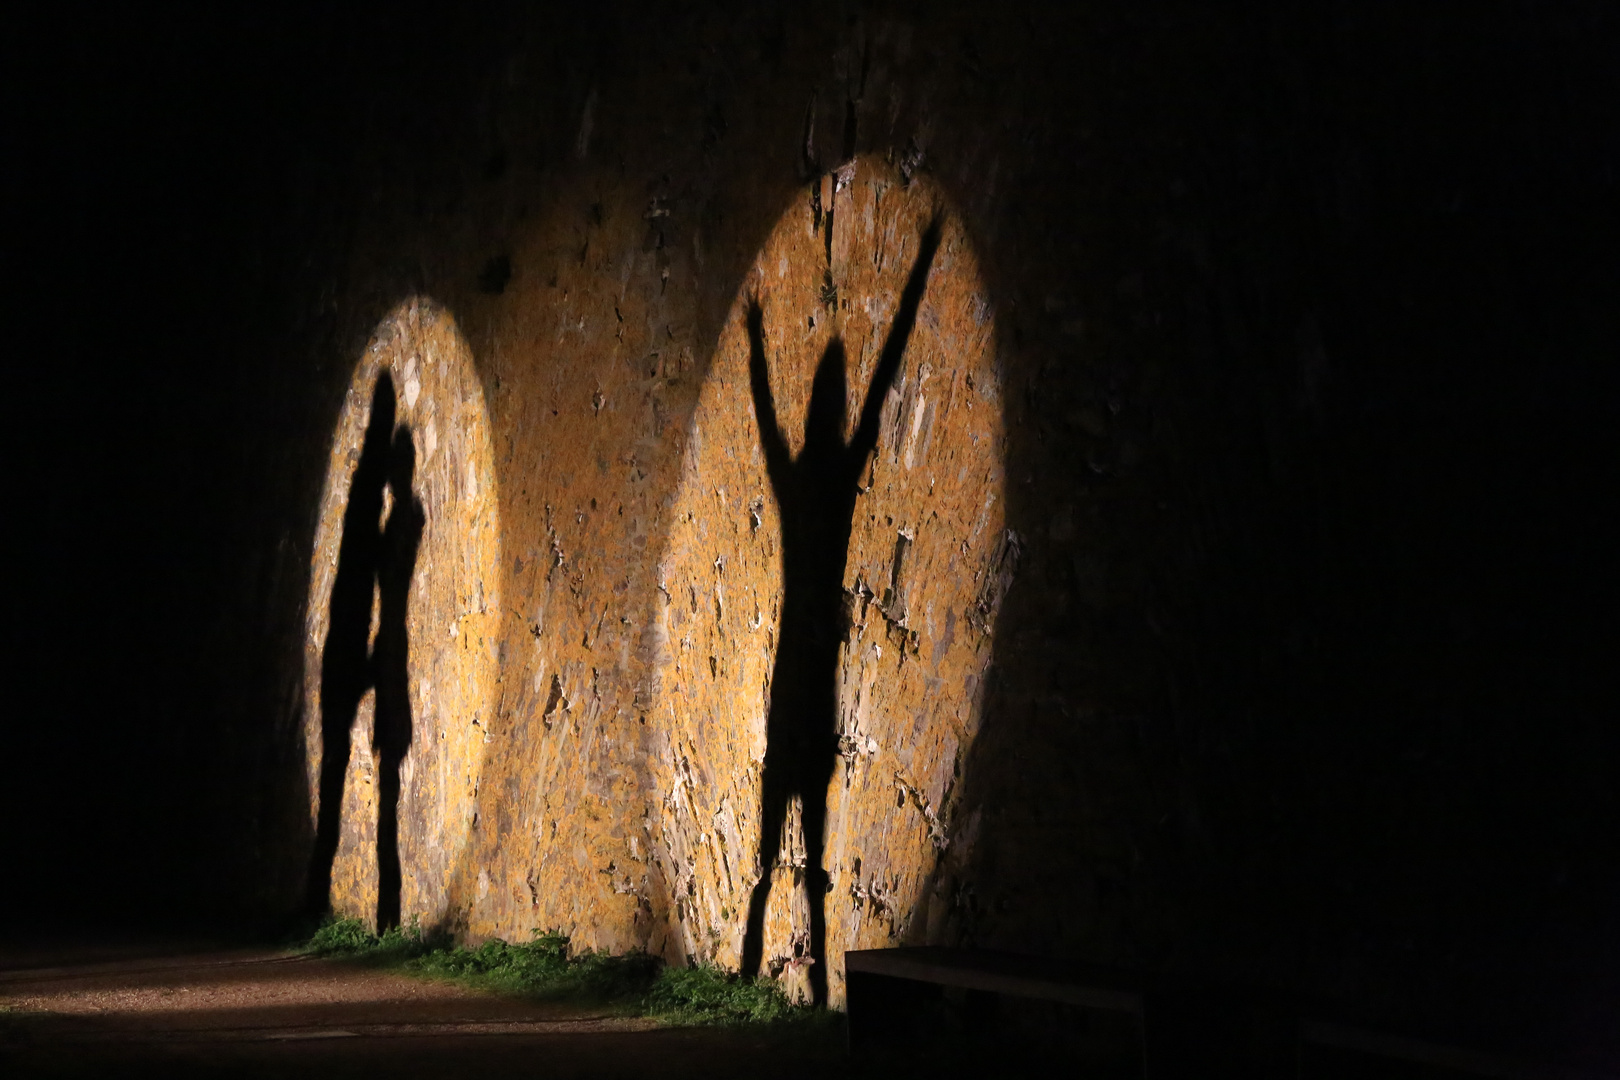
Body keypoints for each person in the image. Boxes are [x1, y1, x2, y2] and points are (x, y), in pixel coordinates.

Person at [740, 217, 942, 1005]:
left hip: (794, 662)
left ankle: (758, 931)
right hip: (816, 661)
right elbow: (888, 369)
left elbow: (763, 422)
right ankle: (816, 969)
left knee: (771, 819)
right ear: (839, 411)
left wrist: (758, 347)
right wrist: (918, 264)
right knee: (811, 818)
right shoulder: (831, 478)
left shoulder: (796, 485)